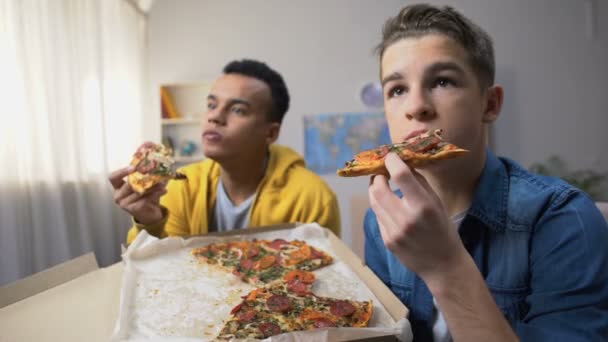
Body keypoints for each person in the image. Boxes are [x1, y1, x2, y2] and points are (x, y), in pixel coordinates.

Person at [364, 4, 608, 341]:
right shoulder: (381, 222)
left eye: (442, 81)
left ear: (490, 104)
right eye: (397, 89)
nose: (415, 106)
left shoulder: (563, 218)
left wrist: (445, 266)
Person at [110, 59, 341, 244]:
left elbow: (322, 278)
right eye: (211, 105)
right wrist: (149, 222)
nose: (214, 117)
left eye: (238, 110)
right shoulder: (181, 186)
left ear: (270, 133)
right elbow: (161, 276)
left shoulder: (312, 197)